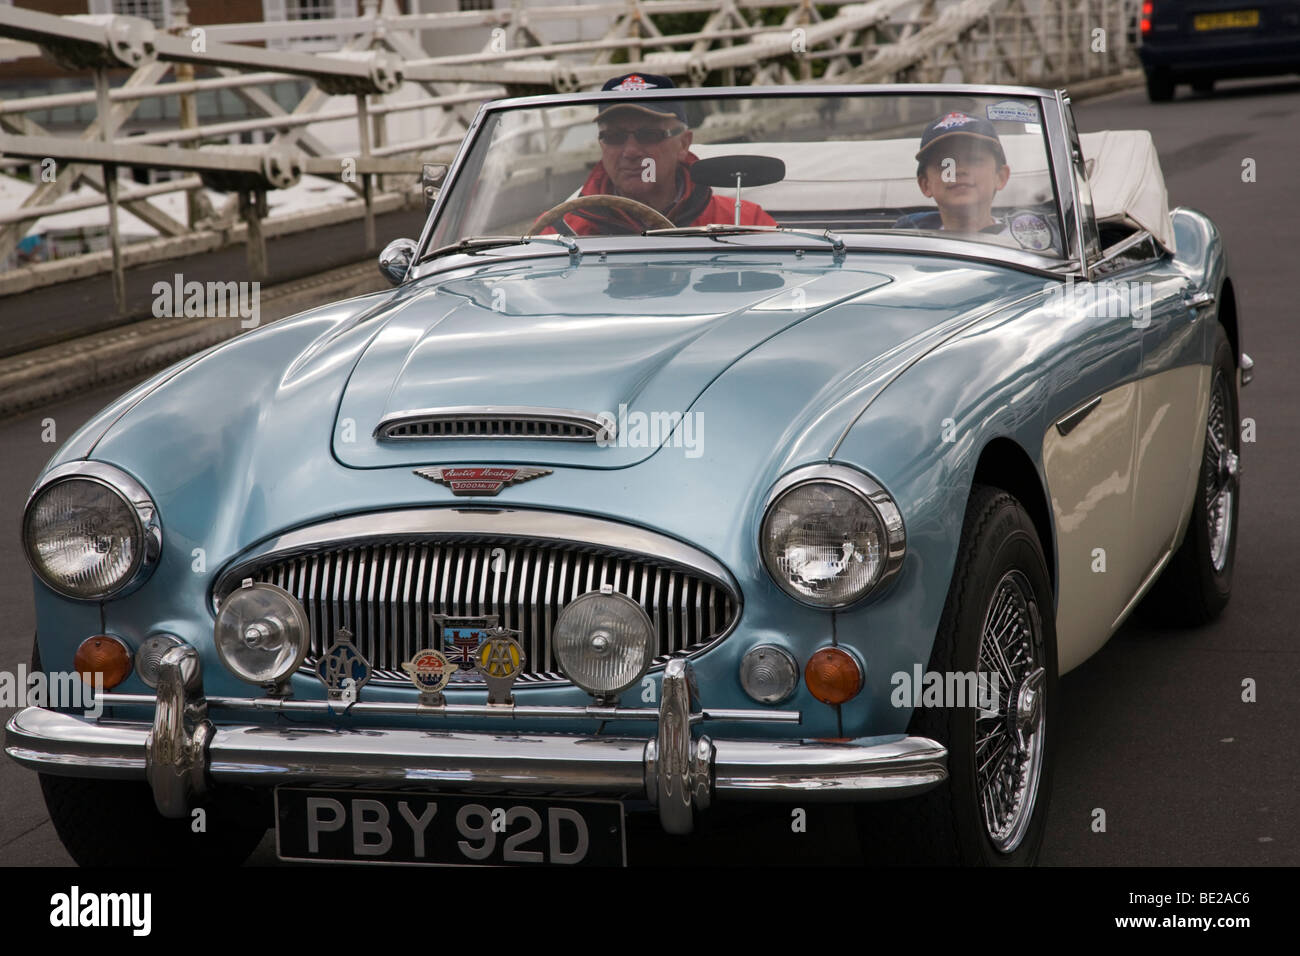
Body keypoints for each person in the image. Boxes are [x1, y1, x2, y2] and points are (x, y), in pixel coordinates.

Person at [541, 73, 776, 236]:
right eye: (614, 136)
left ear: (683, 144)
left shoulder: (743, 223)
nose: (631, 151)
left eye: (649, 135)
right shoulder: (561, 229)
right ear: (601, 145)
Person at [895, 111, 1012, 237]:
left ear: (1000, 177)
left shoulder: (1024, 248)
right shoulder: (907, 245)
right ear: (925, 185)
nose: (959, 170)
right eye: (945, 164)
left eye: (974, 160)